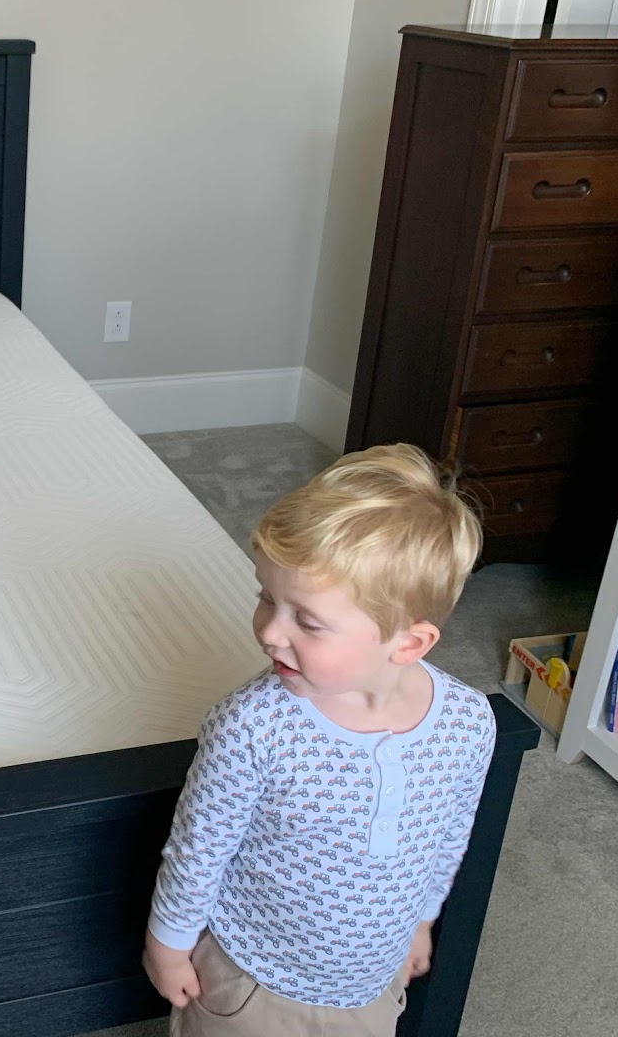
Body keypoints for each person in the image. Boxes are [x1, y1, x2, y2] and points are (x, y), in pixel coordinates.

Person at [142, 443, 493, 1037]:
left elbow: (447, 837)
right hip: (251, 980)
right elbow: (198, 849)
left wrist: (420, 923)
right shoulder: (253, 726)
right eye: (266, 598)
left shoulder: (467, 723)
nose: (270, 632)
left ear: (409, 644)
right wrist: (168, 946)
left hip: (371, 984)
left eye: (306, 620)